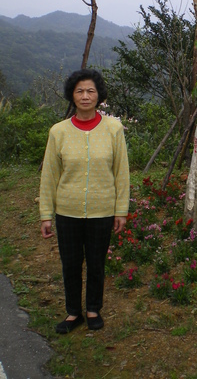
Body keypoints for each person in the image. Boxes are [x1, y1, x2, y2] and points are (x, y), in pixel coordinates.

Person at [39, 69, 130, 334]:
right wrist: (46, 214)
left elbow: (121, 172)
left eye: (90, 90)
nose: (85, 96)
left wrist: (120, 210)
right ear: (72, 95)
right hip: (67, 212)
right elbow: (49, 176)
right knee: (70, 263)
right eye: (79, 91)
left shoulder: (113, 129)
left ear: (99, 95)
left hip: (102, 211)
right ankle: (73, 313)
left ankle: (93, 309)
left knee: (96, 263)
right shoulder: (58, 132)